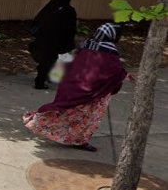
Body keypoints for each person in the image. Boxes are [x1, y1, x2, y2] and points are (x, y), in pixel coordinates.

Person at [23, 22, 128, 152]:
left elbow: (68, 61)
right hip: (94, 94)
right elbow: (113, 73)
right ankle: (79, 141)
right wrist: (122, 76)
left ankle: (39, 122)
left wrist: (58, 77)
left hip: (74, 87)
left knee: (68, 113)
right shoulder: (111, 53)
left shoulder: (85, 45)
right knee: (85, 119)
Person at [28, 0, 77, 89]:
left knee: (46, 60)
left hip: (44, 39)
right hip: (58, 41)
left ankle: (43, 78)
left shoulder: (50, 8)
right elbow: (71, 28)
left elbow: (38, 22)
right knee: (54, 59)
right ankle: (43, 81)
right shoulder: (69, 10)